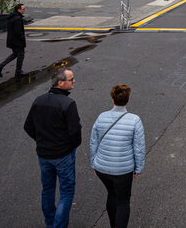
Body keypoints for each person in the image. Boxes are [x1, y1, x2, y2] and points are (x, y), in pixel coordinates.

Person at [23, 67, 82, 228]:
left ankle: (50, 221)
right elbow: (75, 132)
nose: (74, 81)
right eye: (71, 79)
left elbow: (28, 126)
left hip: (43, 154)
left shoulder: (39, 100)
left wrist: (41, 140)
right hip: (63, 154)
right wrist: (70, 146)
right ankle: (59, 225)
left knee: (47, 189)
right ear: (61, 83)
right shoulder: (68, 104)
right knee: (66, 191)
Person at [89, 84, 145, 228]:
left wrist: (93, 163)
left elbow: (93, 142)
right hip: (123, 170)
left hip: (102, 168)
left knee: (112, 194)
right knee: (123, 201)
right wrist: (138, 168)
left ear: (112, 100)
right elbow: (138, 148)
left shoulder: (101, 117)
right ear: (127, 100)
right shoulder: (134, 120)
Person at [0, 3, 26, 79]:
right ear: (18, 10)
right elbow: (18, 31)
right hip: (17, 41)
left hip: (12, 40)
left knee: (15, 54)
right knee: (21, 55)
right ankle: (18, 73)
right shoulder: (17, 19)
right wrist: (22, 39)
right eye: (23, 9)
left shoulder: (12, 16)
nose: (24, 10)